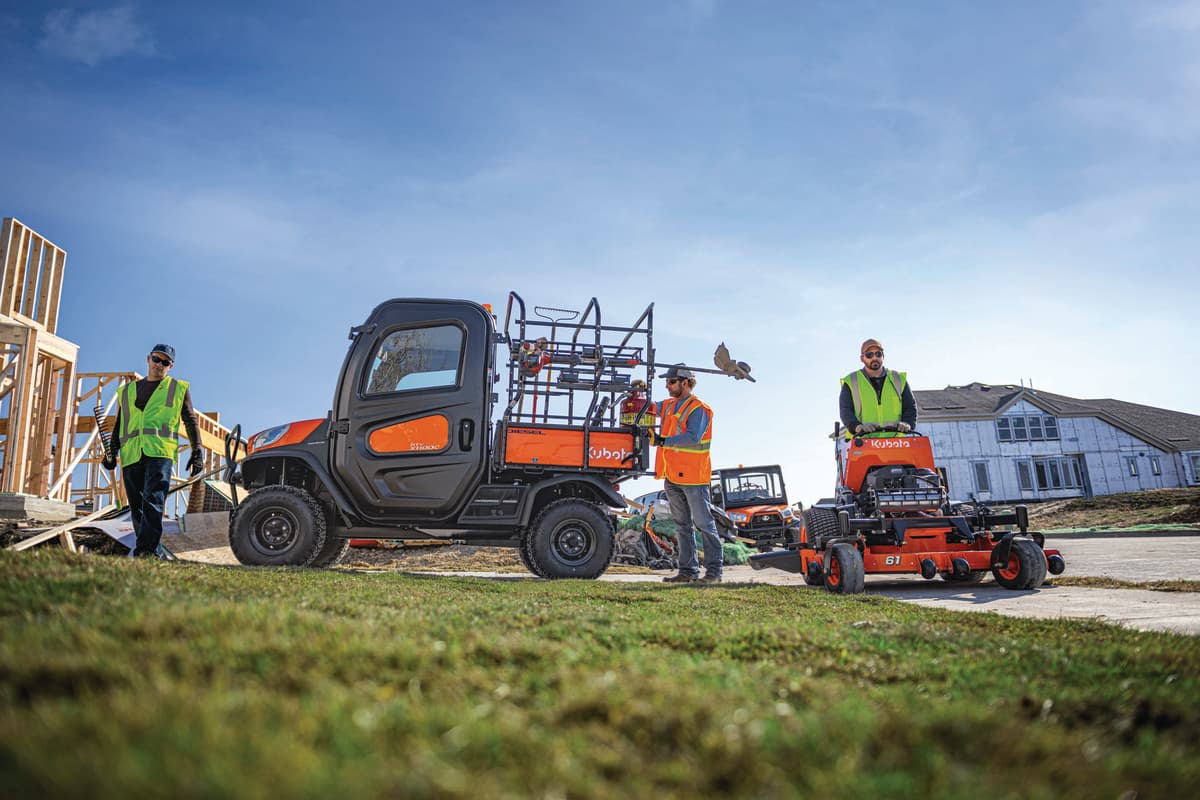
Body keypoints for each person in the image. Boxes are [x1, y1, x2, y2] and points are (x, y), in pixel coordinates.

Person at [104, 344, 204, 558]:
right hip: (131, 453)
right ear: (148, 359)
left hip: (159, 452)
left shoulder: (178, 388)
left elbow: (190, 420)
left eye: (165, 362)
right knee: (137, 506)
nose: (159, 364)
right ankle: (153, 550)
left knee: (153, 501)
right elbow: (121, 422)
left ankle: (146, 551)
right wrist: (112, 450)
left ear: (171, 366)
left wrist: (197, 450)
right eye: (156, 359)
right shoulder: (128, 390)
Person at [648, 365, 723, 583]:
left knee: (704, 525)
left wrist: (662, 441)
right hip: (672, 476)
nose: (667, 385)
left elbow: (693, 437)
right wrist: (638, 393)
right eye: (667, 382)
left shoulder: (698, 408)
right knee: (682, 526)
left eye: (671, 381)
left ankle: (714, 572)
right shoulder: (669, 405)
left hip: (694, 478)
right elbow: (651, 407)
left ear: (685, 382)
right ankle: (687, 571)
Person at [839, 338, 917, 437]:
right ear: (862, 358)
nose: (874, 357)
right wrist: (858, 427)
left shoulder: (898, 379)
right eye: (869, 355)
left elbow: (910, 407)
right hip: (862, 443)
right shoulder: (851, 381)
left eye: (878, 354)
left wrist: (908, 423)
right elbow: (845, 411)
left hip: (895, 443)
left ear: (883, 356)